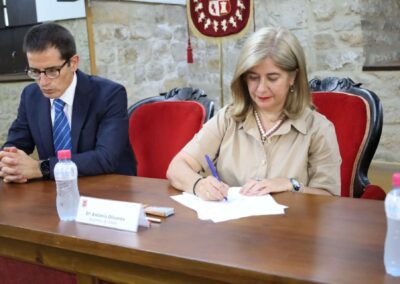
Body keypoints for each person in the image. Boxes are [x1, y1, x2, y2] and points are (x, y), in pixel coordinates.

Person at [167, 27, 341, 201]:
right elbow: (177, 167)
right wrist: (199, 185)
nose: (261, 88)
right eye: (253, 77)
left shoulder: (318, 129)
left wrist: (291, 185)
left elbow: (330, 197)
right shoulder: (228, 118)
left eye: (272, 78)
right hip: (229, 225)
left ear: (293, 77)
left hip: (290, 226)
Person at [0, 22, 135, 183]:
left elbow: (106, 157)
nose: (43, 82)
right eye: (35, 72)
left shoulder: (109, 94)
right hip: (54, 190)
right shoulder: (31, 96)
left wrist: (41, 168)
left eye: (51, 71)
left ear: (73, 63)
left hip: (109, 188)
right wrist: (9, 162)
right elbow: (17, 144)